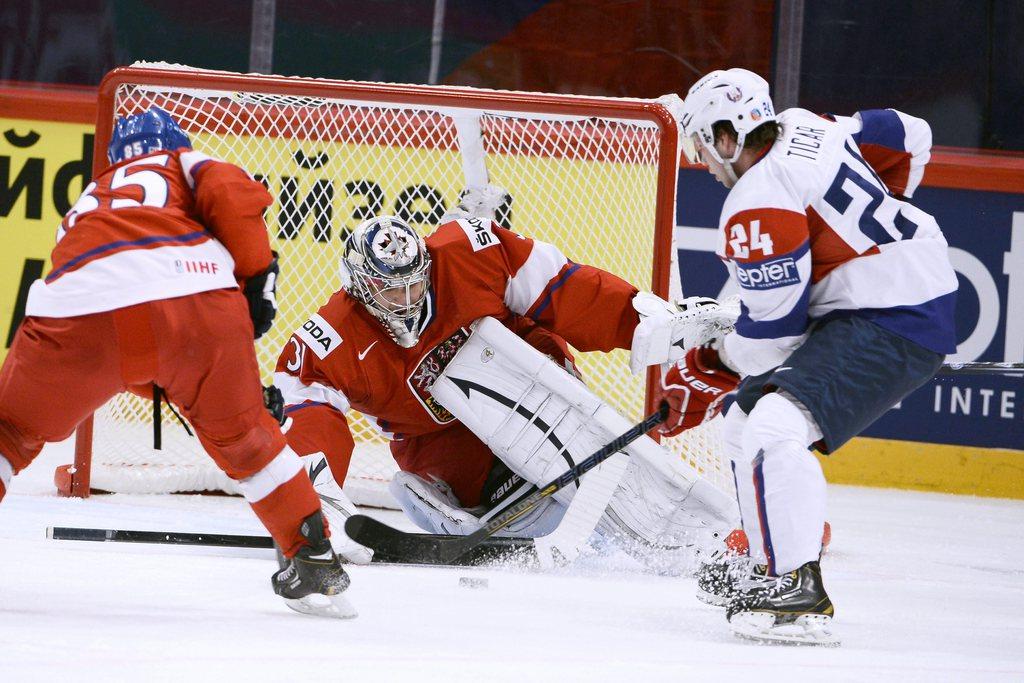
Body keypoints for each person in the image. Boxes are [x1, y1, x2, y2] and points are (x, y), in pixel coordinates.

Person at [0, 107, 354, 619]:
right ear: (175, 144)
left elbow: (124, 347)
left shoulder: (90, 200)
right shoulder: (186, 162)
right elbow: (232, 195)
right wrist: (257, 279)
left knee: (7, 433)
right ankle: (315, 556)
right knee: (247, 439)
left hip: (77, 309)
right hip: (196, 298)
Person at [272, 189, 738, 569]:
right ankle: (511, 503)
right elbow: (309, 415)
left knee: (580, 439)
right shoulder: (329, 338)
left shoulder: (467, 251)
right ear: (358, 285)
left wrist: (638, 320)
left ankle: (694, 532)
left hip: (532, 384)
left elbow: (562, 288)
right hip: (436, 435)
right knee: (420, 485)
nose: (408, 298)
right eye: (390, 290)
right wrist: (314, 504)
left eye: (415, 283)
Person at [662, 69, 958, 645]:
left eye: (704, 144)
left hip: (893, 316)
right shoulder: (809, 124)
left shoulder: (756, 203)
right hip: (888, 302)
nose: (703, 160)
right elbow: (911, 133)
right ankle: (766, 561)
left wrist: (714, 361)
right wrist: (887, 218)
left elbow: (774, 336)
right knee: (742, 418)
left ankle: (798, 588)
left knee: (775, 422)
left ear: (727, 135)